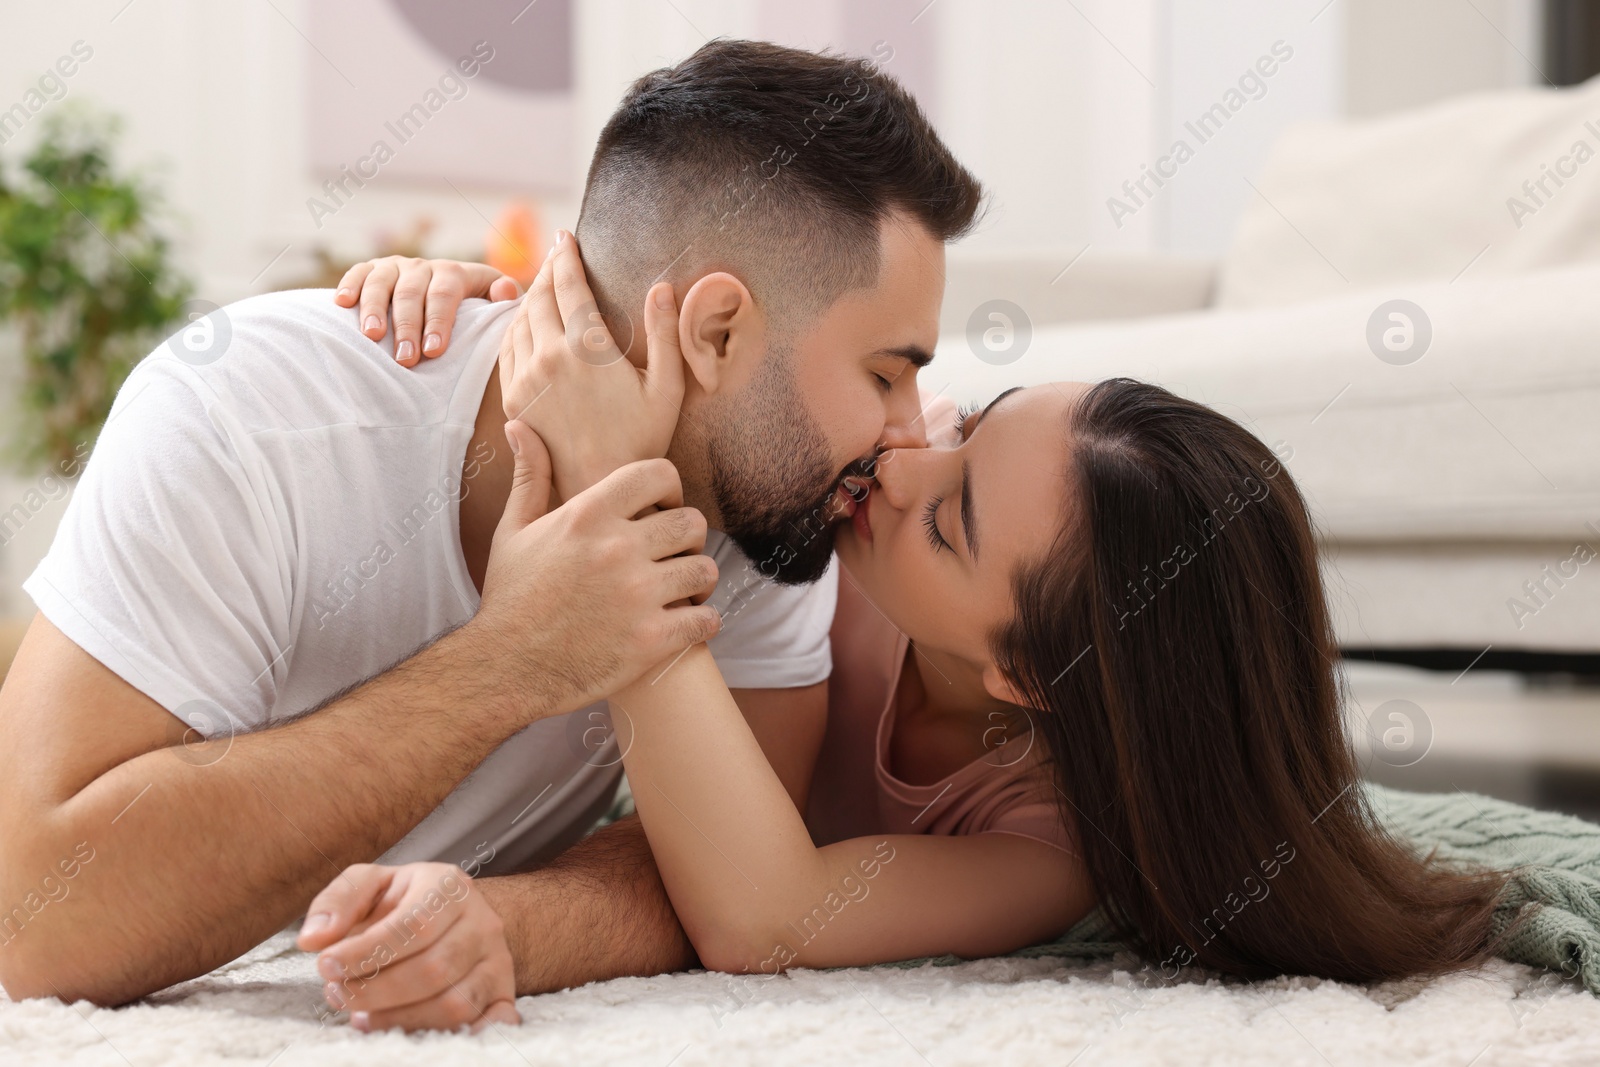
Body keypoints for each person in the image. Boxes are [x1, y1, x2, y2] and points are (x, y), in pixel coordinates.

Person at [0, 39, 981, 1031]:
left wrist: (508, 922)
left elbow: (730, 857)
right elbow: (32, 923)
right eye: (884, 373)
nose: (906, 433)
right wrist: (516, 656)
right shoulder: (249, 414)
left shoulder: (769, 496)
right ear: (716, 334)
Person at [321, 238, 1515, 1028]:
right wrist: (478, 323)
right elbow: (649, 348)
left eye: (948, 517)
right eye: (971, 423)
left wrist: (620, 495)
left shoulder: (1040, 847)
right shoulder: (870, 459)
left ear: (1027, 671)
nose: (900, 460)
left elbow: (764, 915)